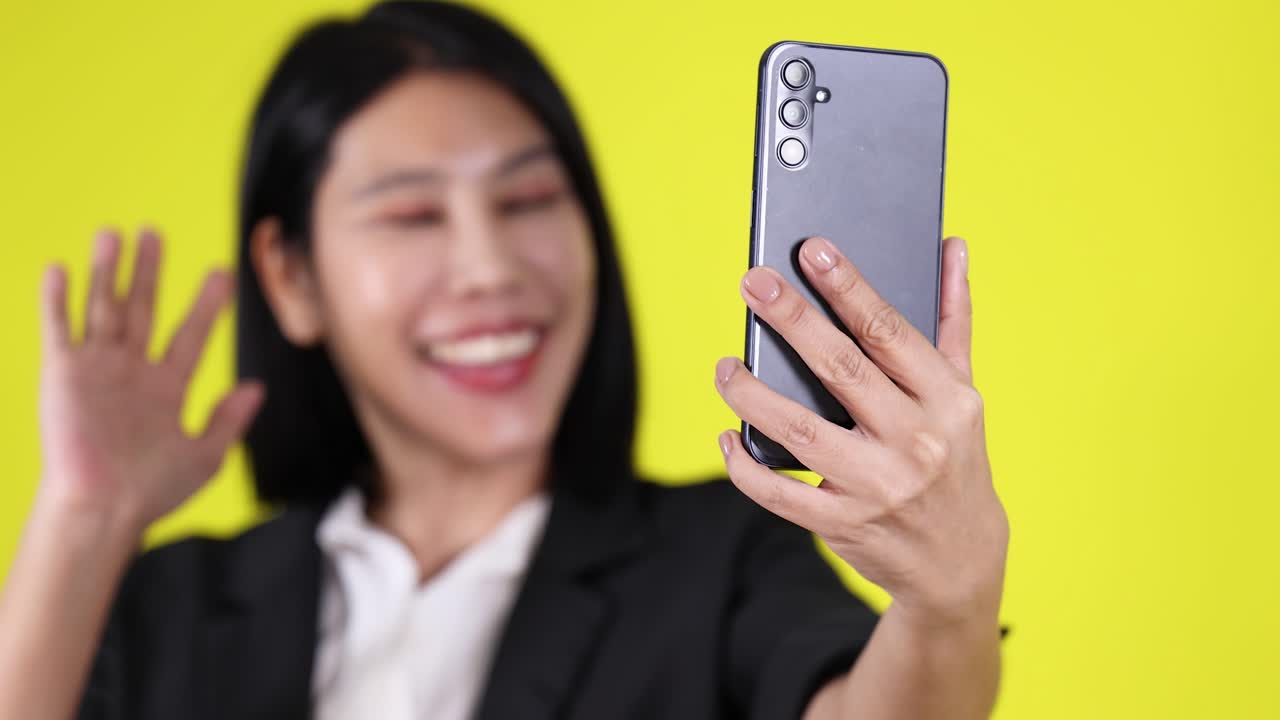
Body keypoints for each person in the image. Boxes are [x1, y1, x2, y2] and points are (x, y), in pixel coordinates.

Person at [0, 2, 1009, 718]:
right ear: (292, 277)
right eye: (410, 214)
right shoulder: (166, 610)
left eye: (528, 201)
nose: (488, 267)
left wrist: (948, 599)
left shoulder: (720, 561)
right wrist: (82, 522)